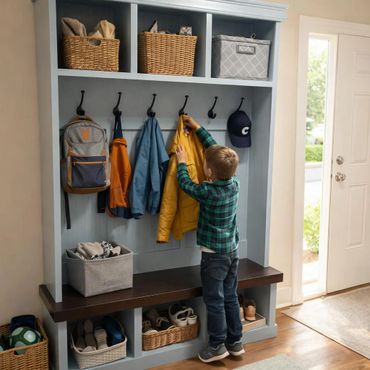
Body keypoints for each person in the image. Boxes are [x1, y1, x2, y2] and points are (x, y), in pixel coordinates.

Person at [175, 115, 244, 363]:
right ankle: (235, 341)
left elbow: (185, 184)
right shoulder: (234, 182)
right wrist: (199, 130)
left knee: (214, 300)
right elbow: (218, 153)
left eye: (205, 165)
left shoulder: (207, 191)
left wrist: (182, 162)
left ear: (210, 172)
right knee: (231, 295)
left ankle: (216, 345)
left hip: (214, 256)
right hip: (233, 252)